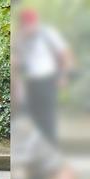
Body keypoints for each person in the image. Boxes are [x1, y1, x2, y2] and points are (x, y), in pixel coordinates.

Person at [15, 8, 75, 144]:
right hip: (31, 82)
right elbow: (18, 63)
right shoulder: (21, 38)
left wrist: (63, 75)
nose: (26, 29)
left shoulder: (47, 33)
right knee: (34, 118)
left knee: (47, 117)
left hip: (48, 79)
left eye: (28, 25)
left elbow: (65, 53)